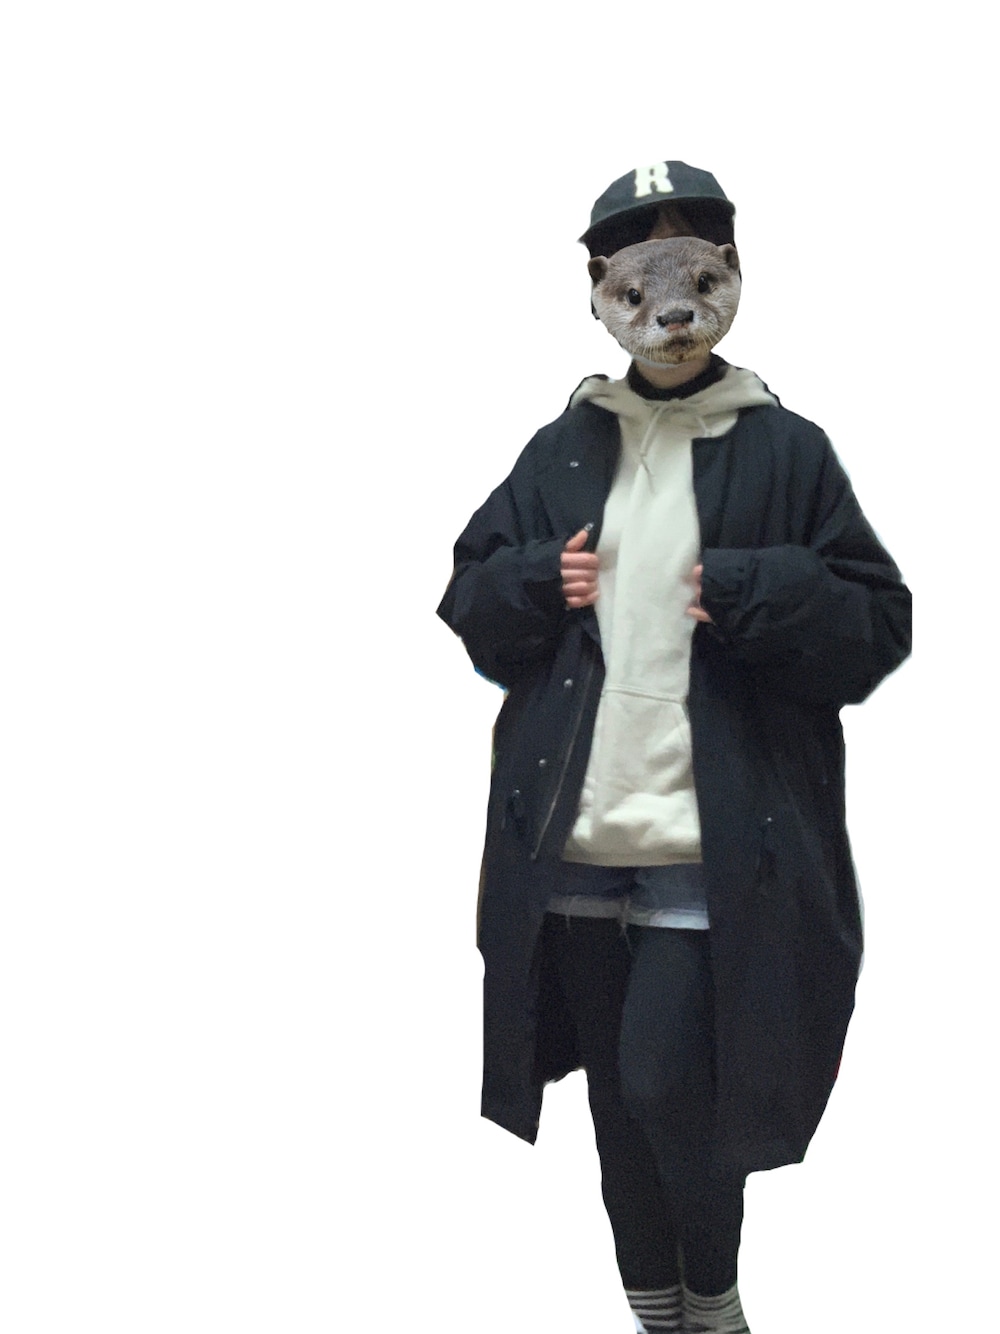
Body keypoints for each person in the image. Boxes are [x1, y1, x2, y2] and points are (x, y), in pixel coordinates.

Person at [436, 160, 911, 1334]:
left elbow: (873, 626)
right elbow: (470, 599)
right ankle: (664, 1313)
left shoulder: (786, 449)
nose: (672, 313)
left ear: (732, 277)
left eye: (697, 282)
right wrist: (533, 581)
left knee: (666, 1082)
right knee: (616, 1103)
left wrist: (759, 587)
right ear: (600, 295)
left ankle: (718, 1305)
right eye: (639, 292)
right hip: (574, 841)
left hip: (717, 840)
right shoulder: (561, 448)